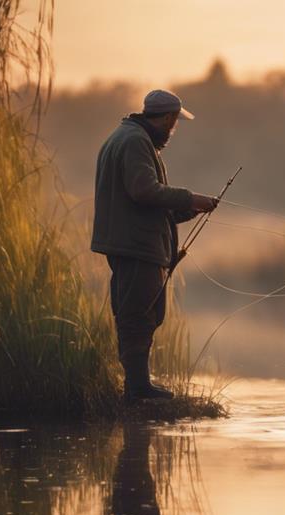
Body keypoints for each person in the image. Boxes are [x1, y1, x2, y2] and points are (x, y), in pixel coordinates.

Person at [91, 89, 219, 403]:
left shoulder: (125, 137)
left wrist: (188, 210)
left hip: (130, 242)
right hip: (136, 246)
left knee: (138, 314)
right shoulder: (135, 142)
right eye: (174, 123)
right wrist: (191, 198)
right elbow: (143, 190)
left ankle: (138, 385)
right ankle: (138, 389)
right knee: (138, 316)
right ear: (166, 118)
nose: (173, 130)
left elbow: (142, 202)